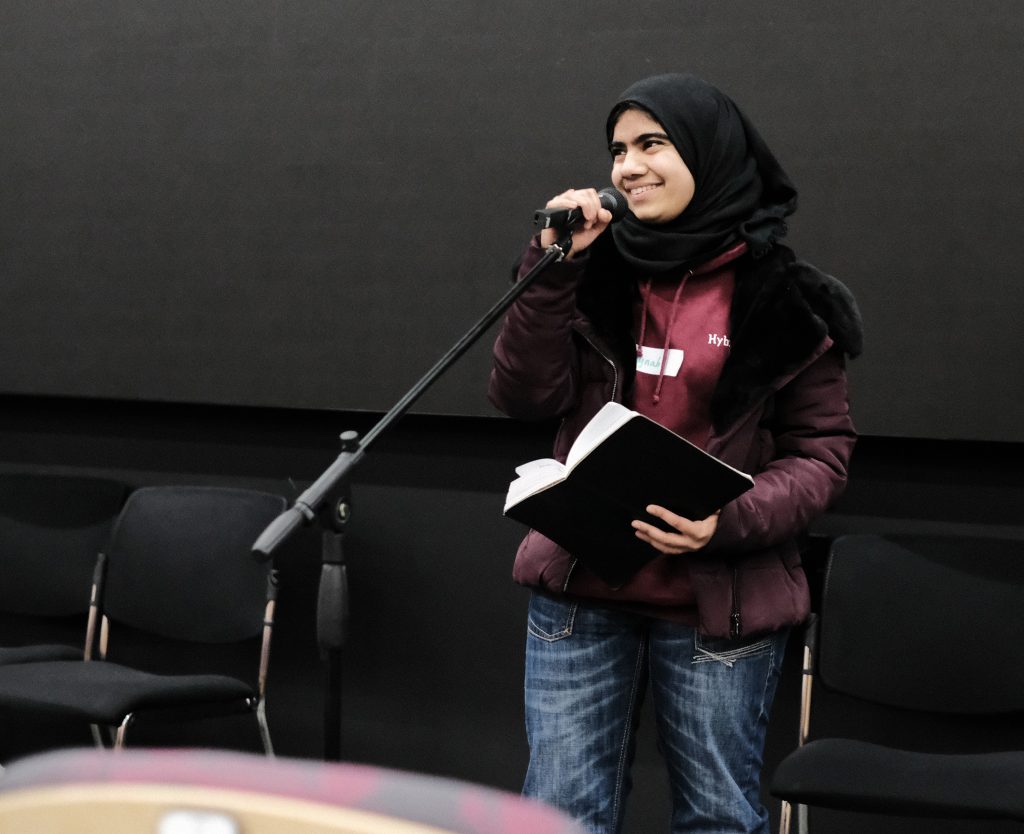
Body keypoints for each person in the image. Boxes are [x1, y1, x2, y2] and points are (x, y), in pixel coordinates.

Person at [488, 73, 863, 834]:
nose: (627, 167)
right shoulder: (590, 273)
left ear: (708, 153)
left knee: (718, 818)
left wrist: (730, 519)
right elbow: (523, 394)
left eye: (651, 144)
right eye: (617, 150)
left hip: (717, 602)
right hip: (580, 592)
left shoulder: (787, 299)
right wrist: (552, 269)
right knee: (558, 815)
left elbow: (821, 453)